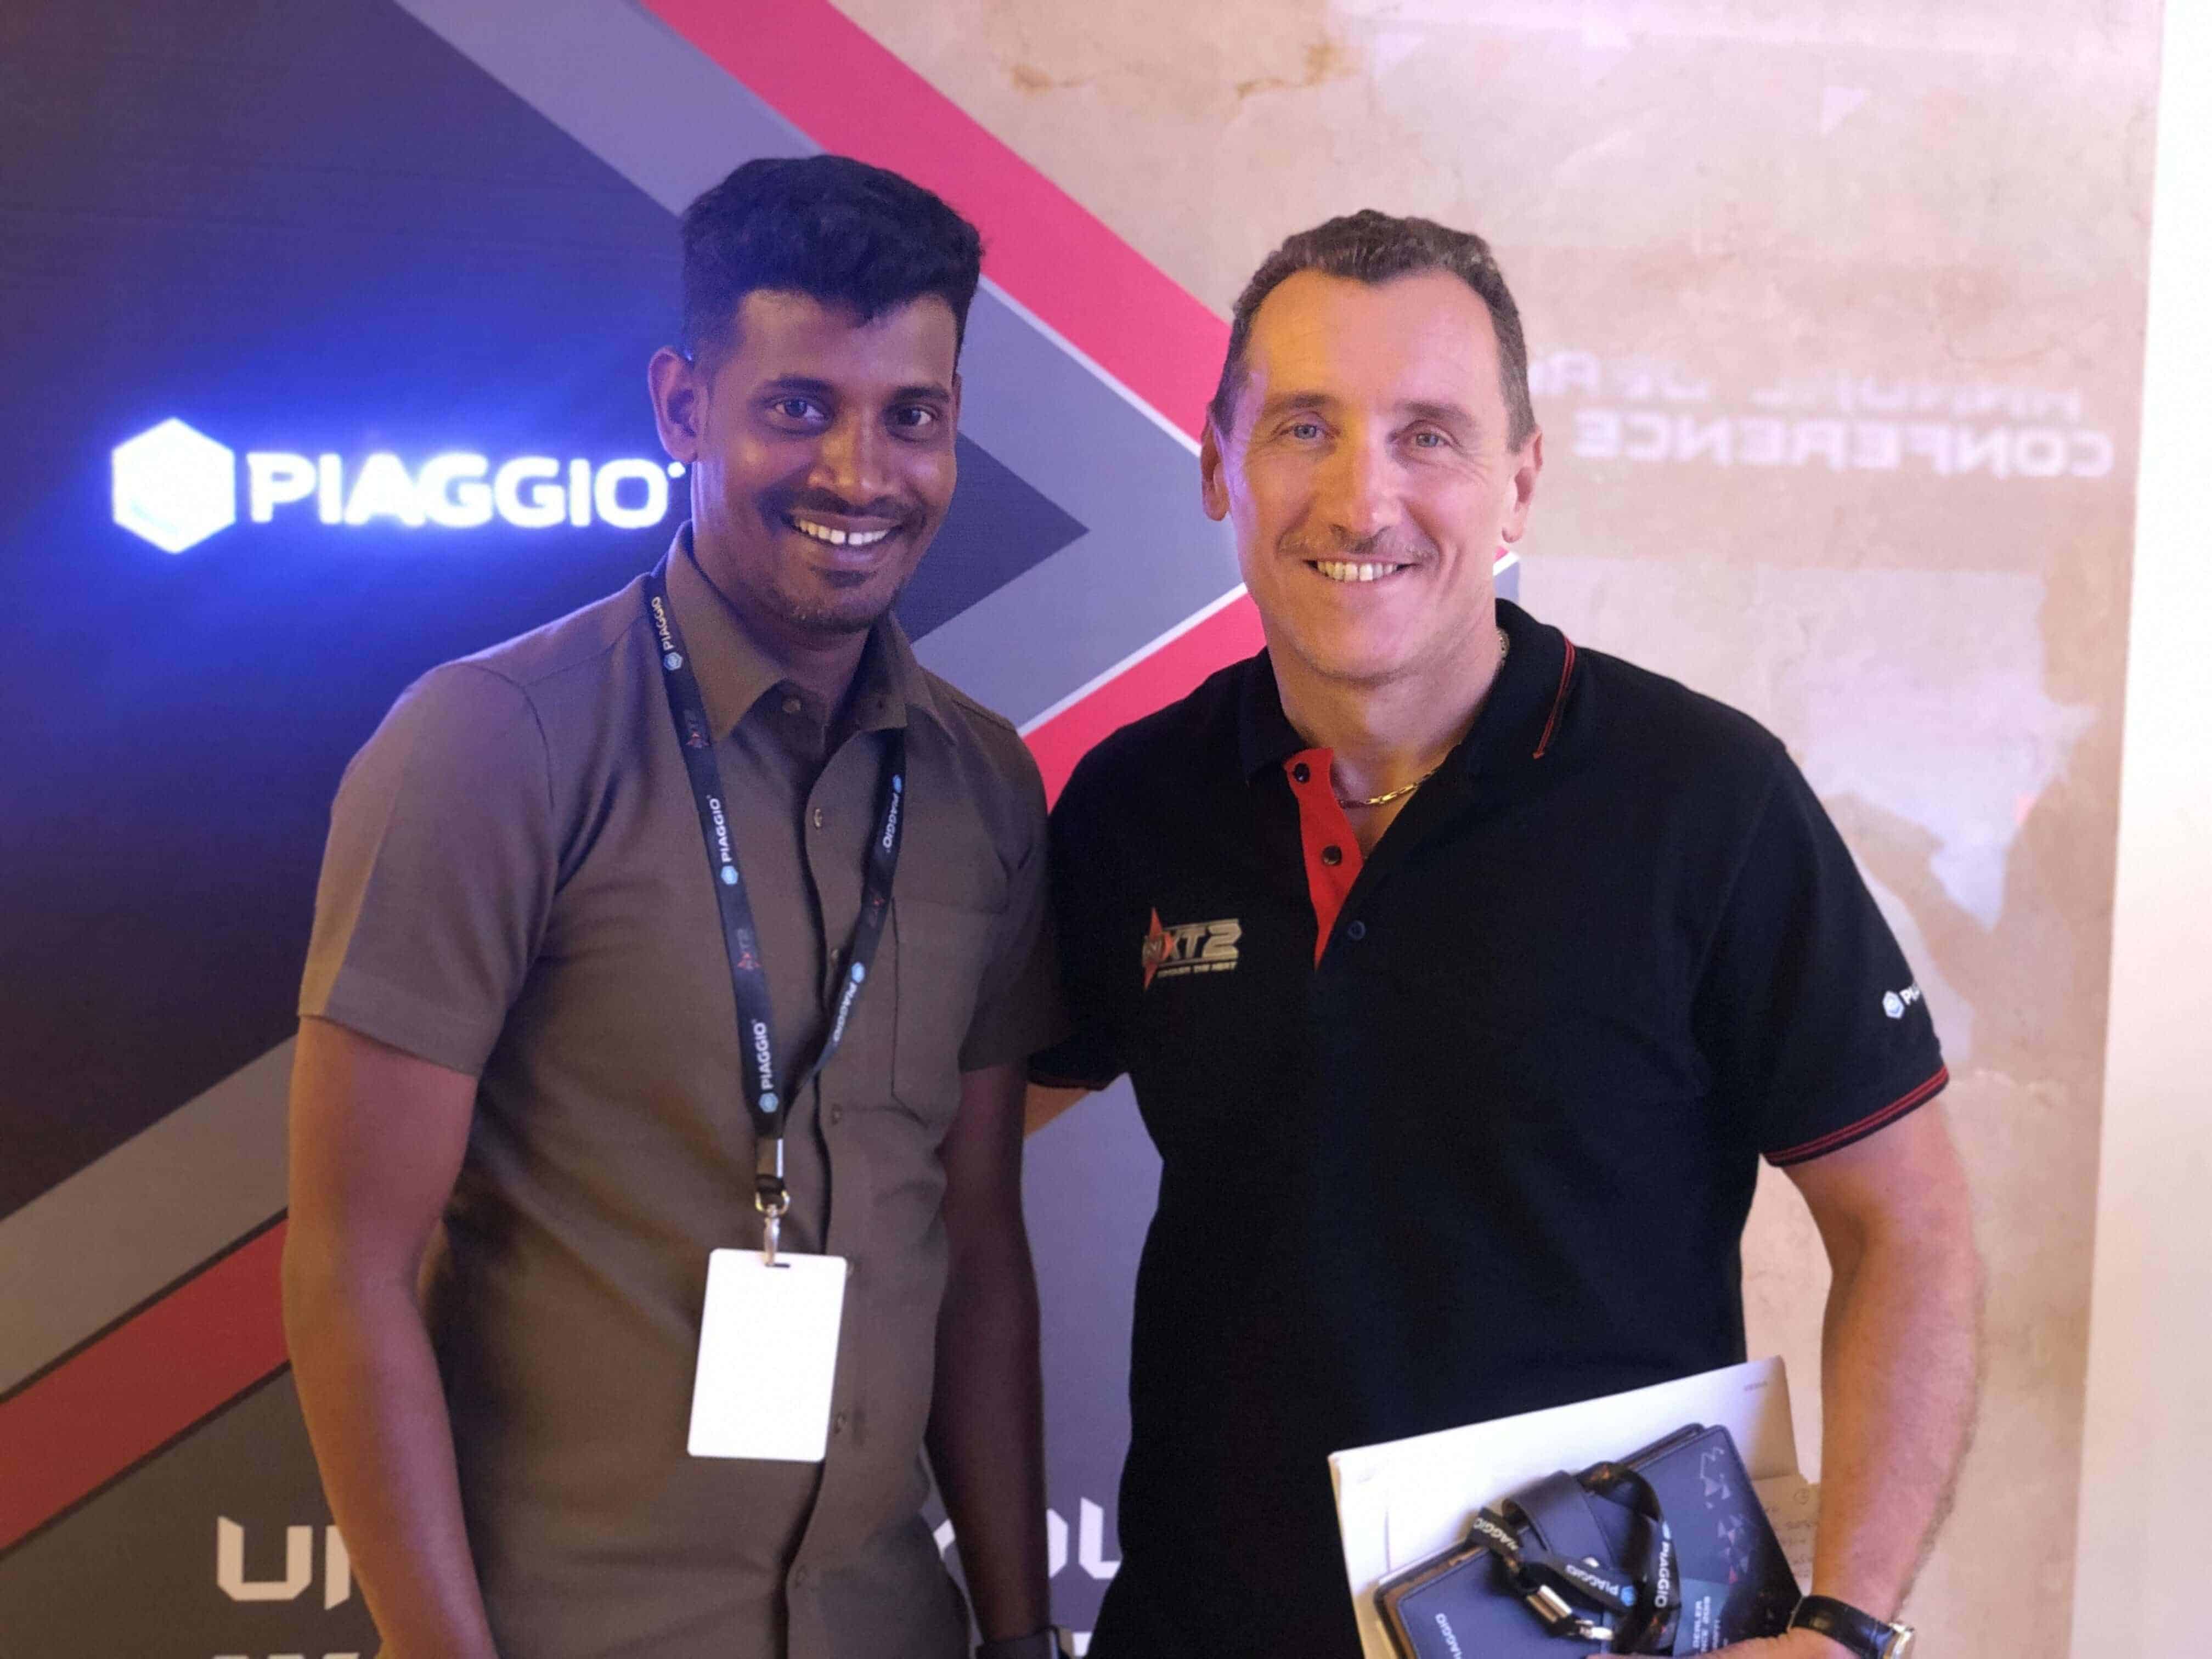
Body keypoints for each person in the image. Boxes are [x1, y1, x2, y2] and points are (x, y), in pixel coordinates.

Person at [1029, 211, 1981, 1659]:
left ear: (1520, 484)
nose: (1363, 500)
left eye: (1430, 437)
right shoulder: (1136, 801)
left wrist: (1844, 1627)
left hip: (1600, 1632)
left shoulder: (1702, 798)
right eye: (1304, 428)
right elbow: (929, 1138)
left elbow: (1908, 1227)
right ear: (1218, 463)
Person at [284, 155, 1066, 1659]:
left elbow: (977, 1242)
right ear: (683, 407)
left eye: (912, 416)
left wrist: (1023, 1633)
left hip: (888, 1626)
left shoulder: (984, 785)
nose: (860, 473)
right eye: (799, 407)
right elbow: (347, 1268)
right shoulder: (493, 745)